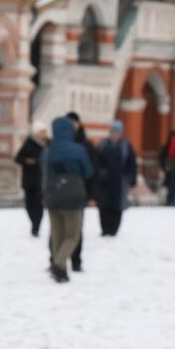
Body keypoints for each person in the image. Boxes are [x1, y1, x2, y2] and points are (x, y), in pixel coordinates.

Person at [41, 114, 94, 283]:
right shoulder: (78, 150)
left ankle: (60, 269)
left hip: (53, 196)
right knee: (72, 234)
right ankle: (59, 264)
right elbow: (88, 171)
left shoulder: (48, 151)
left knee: (57, 233)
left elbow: (44, 173)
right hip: (73, 196)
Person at [65, 111, 99, 272]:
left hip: (80, 192)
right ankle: (57, 260)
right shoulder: (59, 144)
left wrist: (92, 195)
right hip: (60, 193)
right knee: (59, 229)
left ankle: (76, 261)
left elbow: (92, 172)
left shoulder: (86, 145)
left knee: (76, 229)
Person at [95, 120, 137, 237]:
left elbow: (131, 163)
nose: (114, 133)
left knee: (118, 206)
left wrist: (132, 180)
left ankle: (113, 229)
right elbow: (97, 161)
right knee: (103, 206)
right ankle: (104, 228)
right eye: (113, 131)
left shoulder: (126, 145)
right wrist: (100, 174)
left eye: (117, 131)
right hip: (105, 180)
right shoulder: (103, 144)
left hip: (120, 181)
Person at [14, 122, 49, 236]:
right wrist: (28, 161)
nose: (44, 134)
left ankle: (36, 227)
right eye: (42, 132)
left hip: (42, 180)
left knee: (39, 205)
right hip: (29, 180)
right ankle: (34, 223)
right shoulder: (29, 143)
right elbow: (18, 158)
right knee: (29, 205)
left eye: (45, 132)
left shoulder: (49, 144)